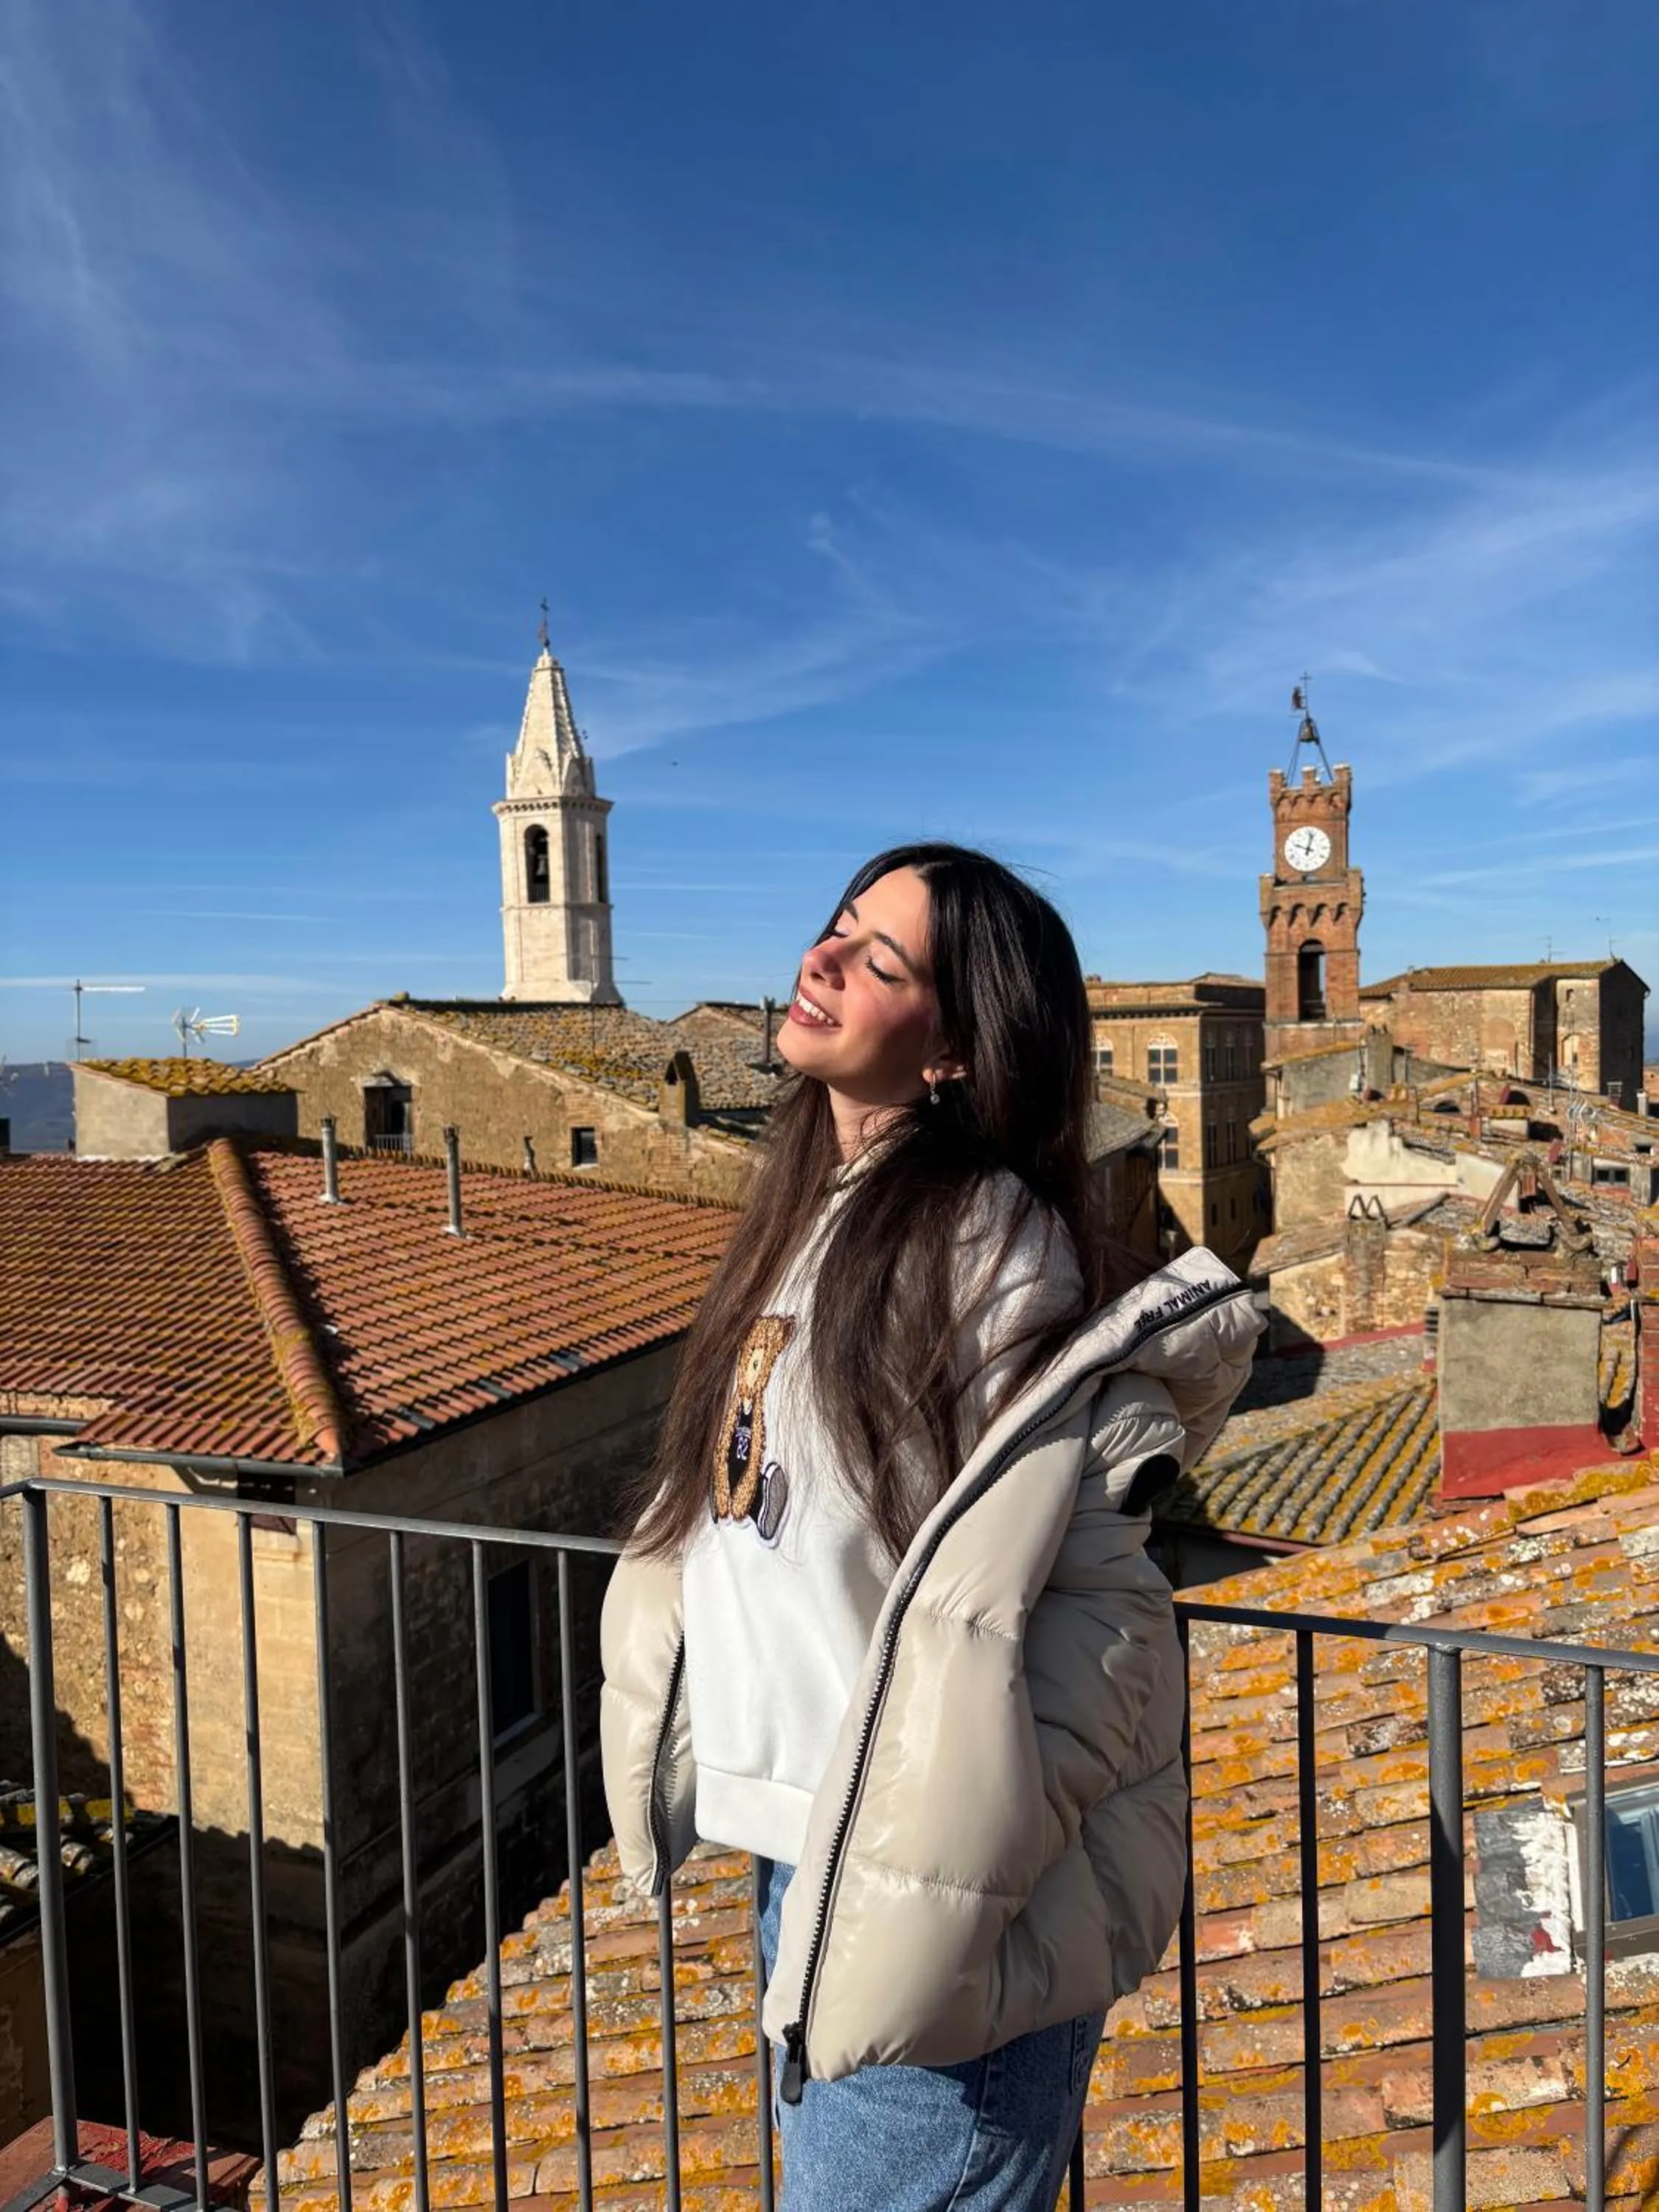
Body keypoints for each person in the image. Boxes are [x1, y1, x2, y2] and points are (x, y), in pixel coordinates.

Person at [601, 844, 1261, 2211]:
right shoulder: (814, 1210)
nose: (823, 959)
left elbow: (1057, 1589)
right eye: (835, 926)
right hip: (823, 1870)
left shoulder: (981, 1236)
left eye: (880, 959)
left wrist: (961, 1867)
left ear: (956, 1046)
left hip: (928, 1899)